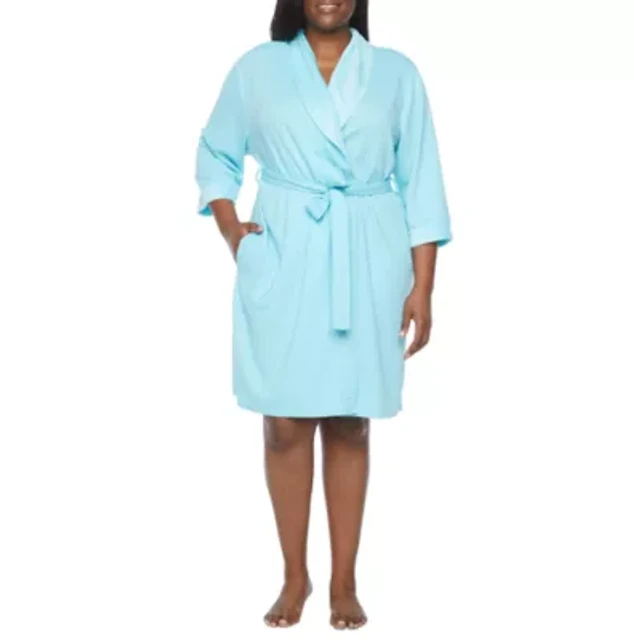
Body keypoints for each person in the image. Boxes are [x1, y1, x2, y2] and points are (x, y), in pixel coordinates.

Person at [195, 0, 451, 630]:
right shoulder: (258, 69)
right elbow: (216, 153)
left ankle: (344, 581)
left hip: (367, 253)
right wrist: (233, 232)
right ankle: (294, 576)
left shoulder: (396, 73)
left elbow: (421, 180)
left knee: (349, 421)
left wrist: (422, 286)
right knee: (284, 422)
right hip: (285, 251)